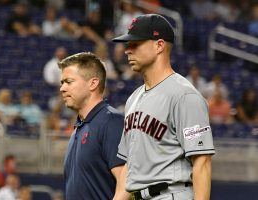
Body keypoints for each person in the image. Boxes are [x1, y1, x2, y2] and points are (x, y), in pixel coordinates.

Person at [112, 14, 215, 200]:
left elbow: (202, 162)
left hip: (171, 193)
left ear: (159, 45)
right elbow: (129, 166)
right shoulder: (133, 99)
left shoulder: (184, 95)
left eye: (136, 43)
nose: (127, 50)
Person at [58, 52, 126, 199]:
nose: (62, 88)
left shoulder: (111, 122)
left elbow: (126, 186)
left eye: (68, 82)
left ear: (93, 83)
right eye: (62, 83)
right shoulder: (79, 128)